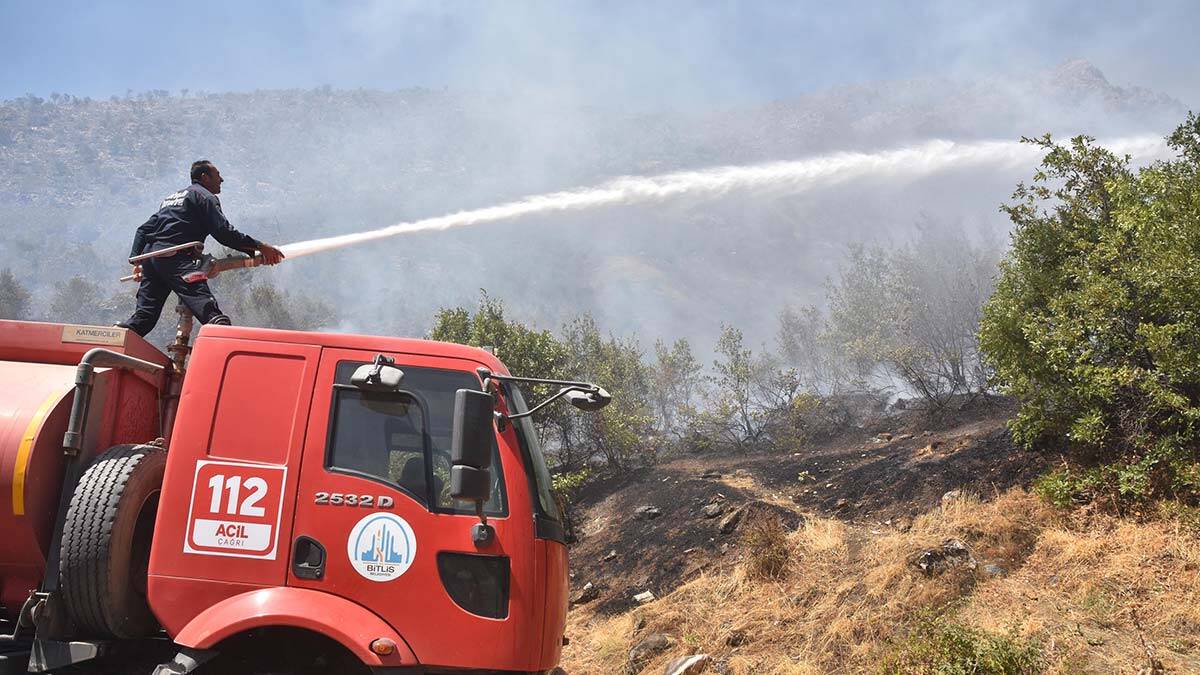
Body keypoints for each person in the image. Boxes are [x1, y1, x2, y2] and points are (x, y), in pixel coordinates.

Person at [117, 160, 285, 336]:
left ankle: (115, 340)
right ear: (204, 177)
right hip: (177, 256)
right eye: (218, 175)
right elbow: (223, 233)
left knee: (144, 317)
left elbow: (143, 230)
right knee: (211, 315)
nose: (222, 180)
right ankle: (224, 347)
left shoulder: (170, 199)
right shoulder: (204, 196)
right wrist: (260, 246)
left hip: (153, 258)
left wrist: (136, 260)